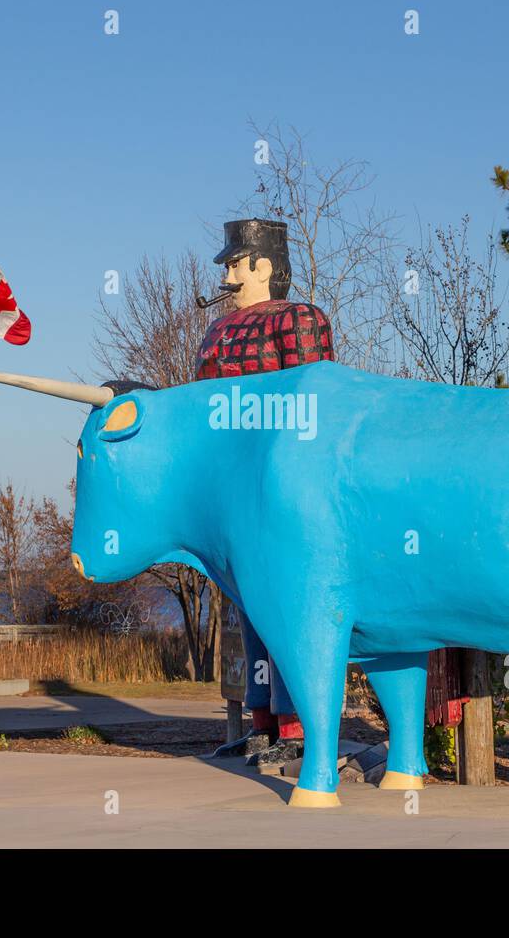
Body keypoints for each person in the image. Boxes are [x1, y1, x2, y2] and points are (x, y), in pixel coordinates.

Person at [198, 218, 334, 765]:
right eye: (228, 264)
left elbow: (316, 402)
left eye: (236, 262)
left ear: (263, 265)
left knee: (289, 607)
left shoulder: (301, 320)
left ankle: (298, 729)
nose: (229, 273)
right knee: (248, 611)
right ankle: (262, 723)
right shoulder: (214, 332)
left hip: (287, 489)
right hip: (236, 488)